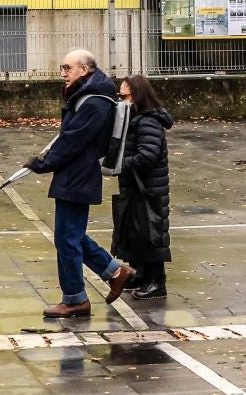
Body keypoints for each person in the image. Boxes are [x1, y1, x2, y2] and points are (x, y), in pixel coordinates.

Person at [27, 48, 134, 317]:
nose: (63, 73)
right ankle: (114, 272)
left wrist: (43, 164)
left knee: (67, 239)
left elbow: (72, 141)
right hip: (75, 175)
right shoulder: (88, 97)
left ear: (84, 70)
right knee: (69, 236)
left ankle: (76, 299)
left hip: (78, 176)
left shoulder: (94, 102)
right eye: (62, 68)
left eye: (68, 68)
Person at [112, 73, 173, 299]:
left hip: (148, 188)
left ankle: (157, 281)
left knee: (151, 233)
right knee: (136, 231)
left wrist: (120, 164)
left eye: (124, 96)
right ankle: (141, 274)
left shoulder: (148, 121)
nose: (121, 100)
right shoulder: (135, 118)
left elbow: (148, 156)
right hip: (136, 186)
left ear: (136, 96)